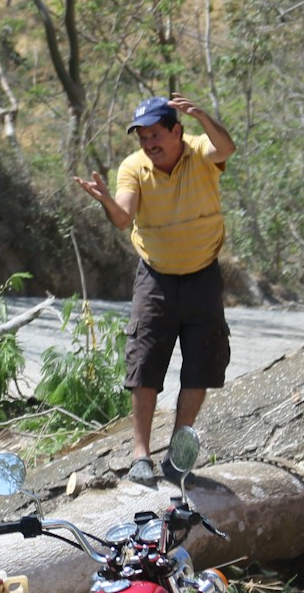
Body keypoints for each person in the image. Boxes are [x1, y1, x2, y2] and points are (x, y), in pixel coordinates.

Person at [72, 94, 236, 487]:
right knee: (144, 364)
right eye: (142, 137)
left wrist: (202, 114)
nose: (149, 144)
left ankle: (179, 456)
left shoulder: (200, 150)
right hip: (155, 277)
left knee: (201, 366)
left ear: (177, 132)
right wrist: (107, 201)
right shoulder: (134, 167)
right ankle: (140, 454)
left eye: (156, 135)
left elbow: (227, 147)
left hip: (203, 276)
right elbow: (123, 216)